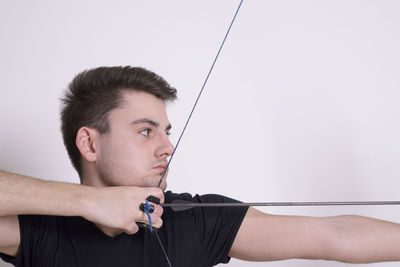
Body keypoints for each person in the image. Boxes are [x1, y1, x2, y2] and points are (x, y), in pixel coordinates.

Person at [1, 66, 400, 267]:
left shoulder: (195, 220)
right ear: (89, 142)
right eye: (145, 131)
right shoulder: (38, 228)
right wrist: (87, 203)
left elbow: (335, 235)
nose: (167, 147)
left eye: (166, 131)